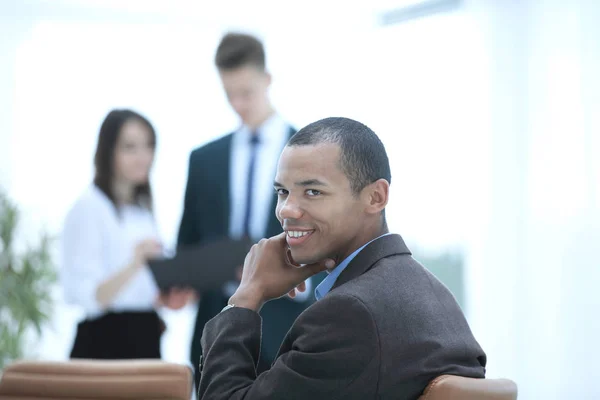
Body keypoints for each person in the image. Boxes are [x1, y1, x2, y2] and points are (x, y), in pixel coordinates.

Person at [197, 117, 487, 399]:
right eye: (283, 192)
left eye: (313, 191)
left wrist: (247, 296)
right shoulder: (434, 295)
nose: (286, 210)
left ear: (375, 197)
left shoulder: (349, 314)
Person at [178, 32, 323, 383]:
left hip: (286, 329)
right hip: (215, 328)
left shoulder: (314, 153)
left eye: (246, 92)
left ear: (267, 80)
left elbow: (326, 235)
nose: (238, 104)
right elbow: (188, 241)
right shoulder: (203, 159)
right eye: (230, 94)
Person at [61, 109, 193, 359]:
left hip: (145, 335)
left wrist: (164, 297)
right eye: (130, 147)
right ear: (108, 150)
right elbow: (89, 296)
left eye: (149, 146)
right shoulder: (89, 207)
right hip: (105, 342)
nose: (143, 157)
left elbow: (137, 292)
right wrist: (135, 263)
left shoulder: (141, 210)